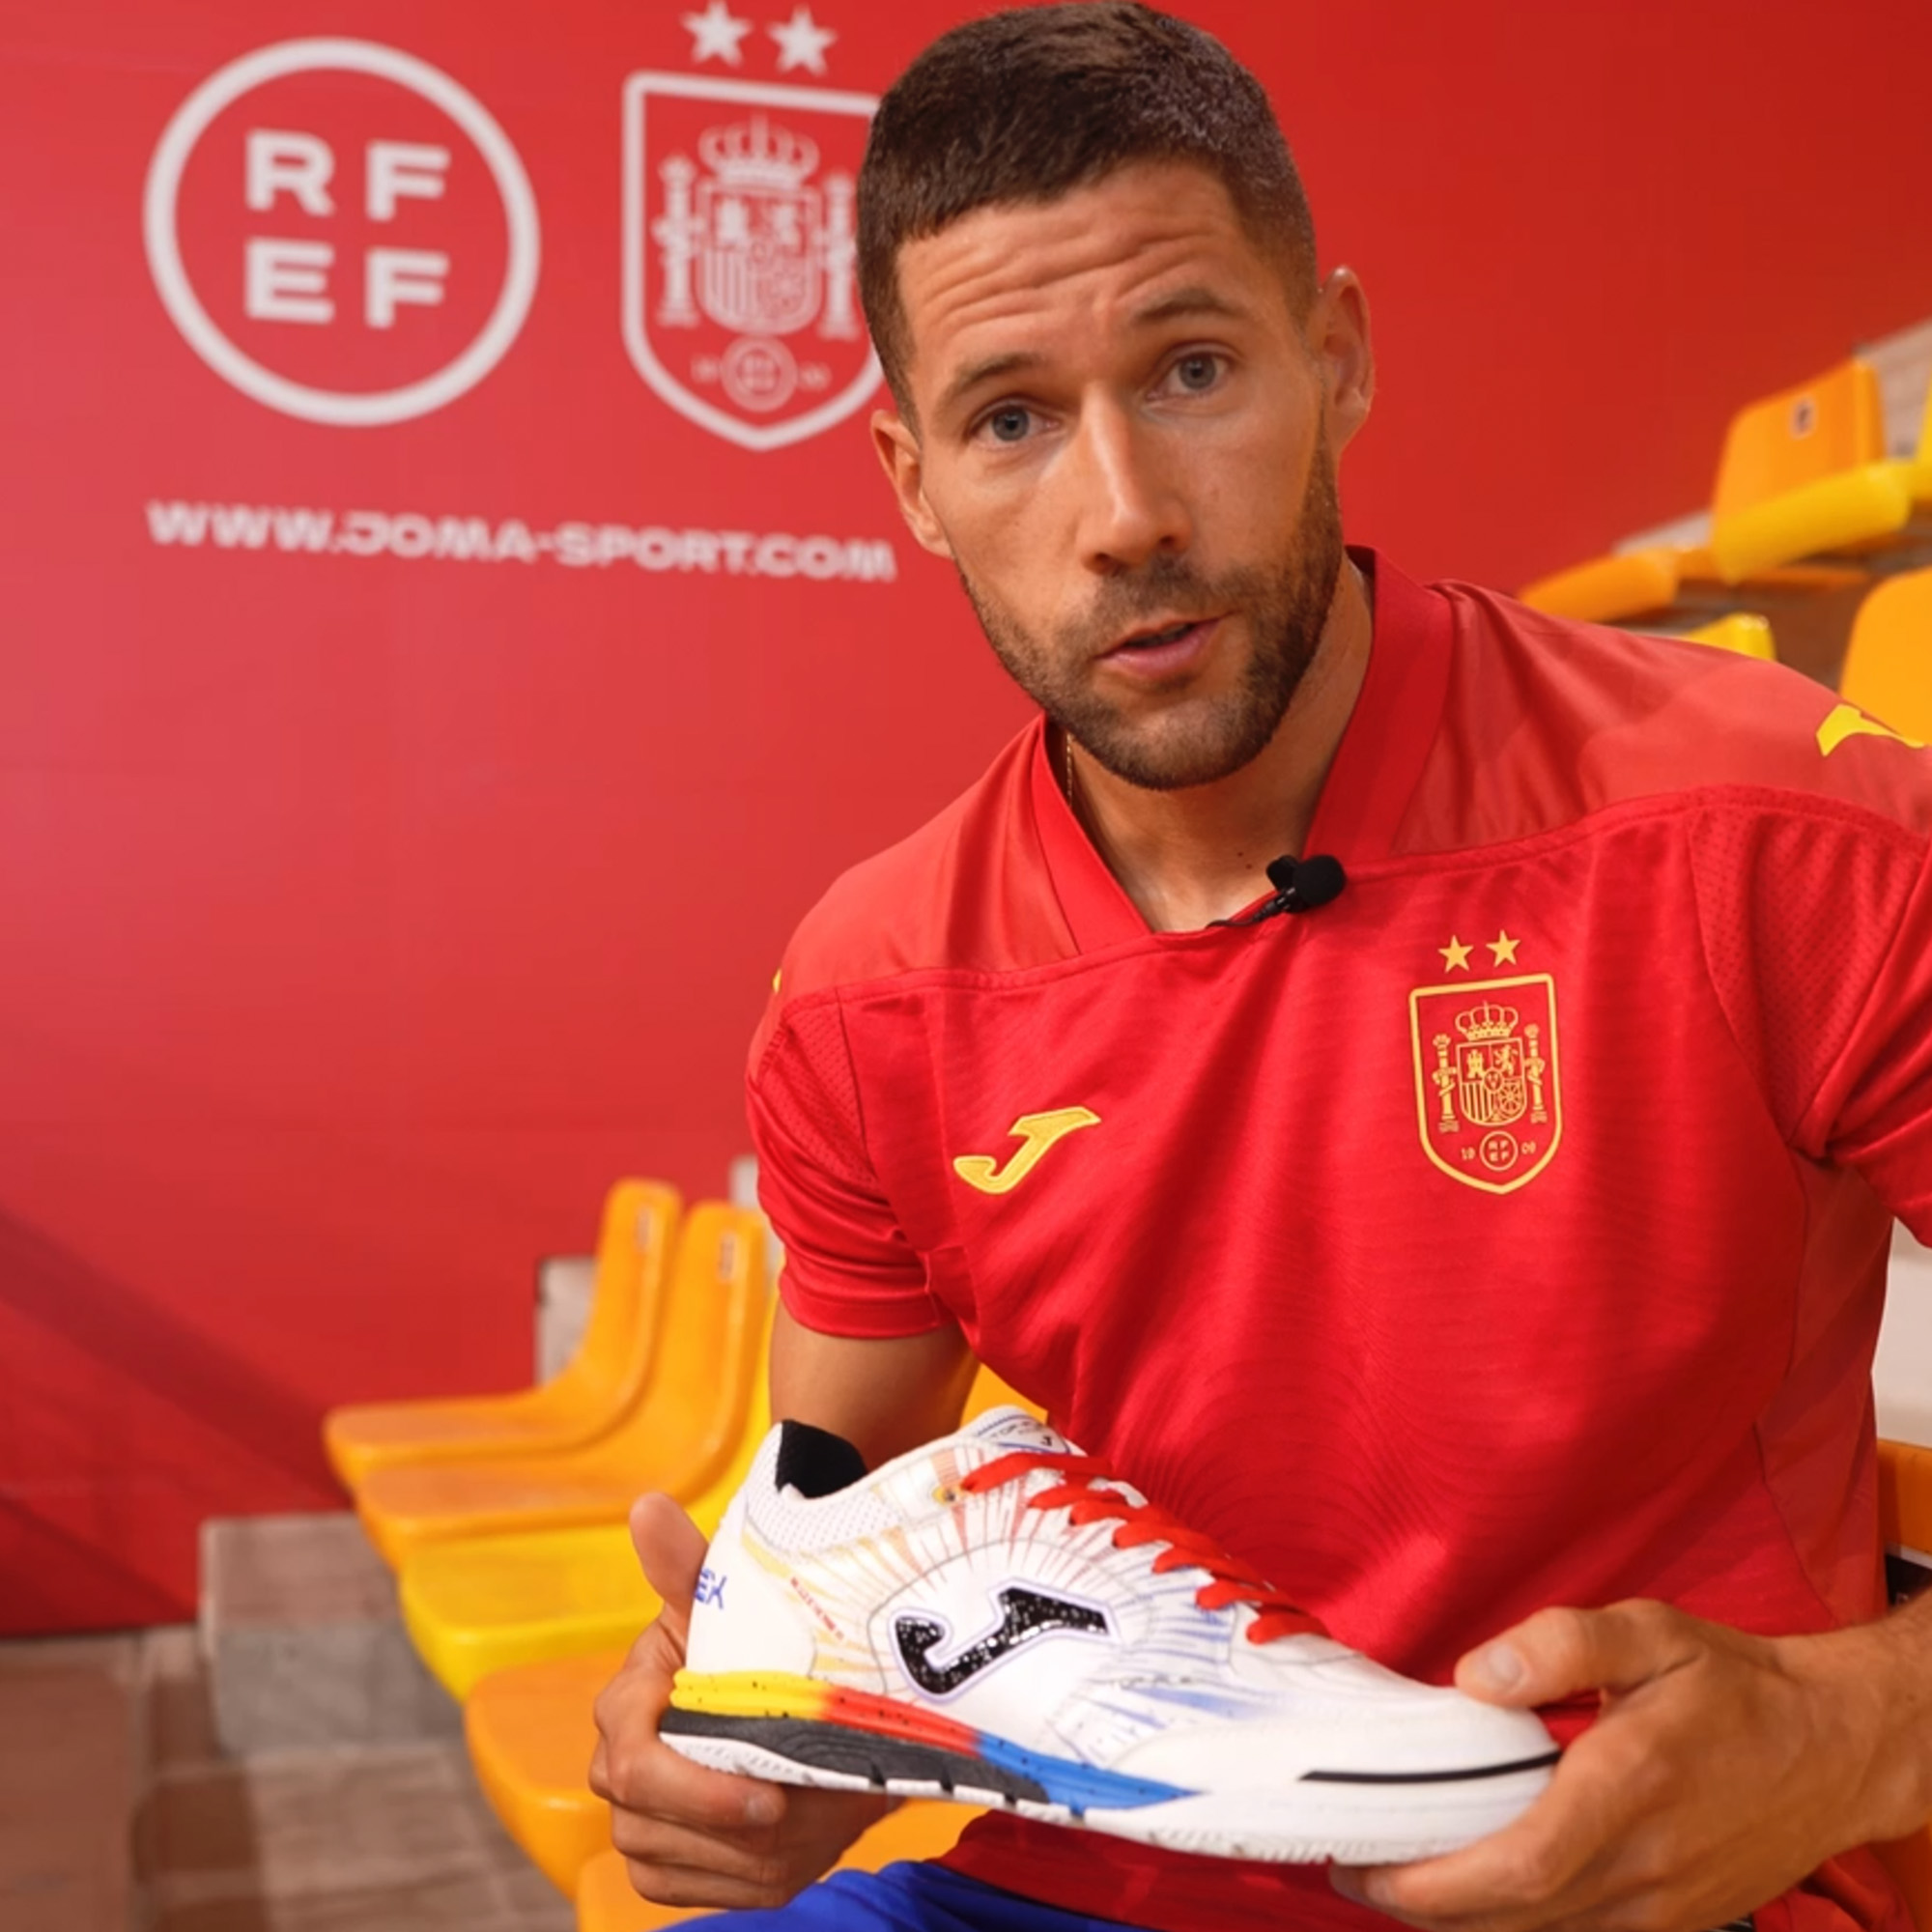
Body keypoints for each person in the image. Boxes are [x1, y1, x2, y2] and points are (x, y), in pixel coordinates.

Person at [591, 6, 1932, 1929]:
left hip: (1649, 1878)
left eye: (1193, 367)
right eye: (1010, 419)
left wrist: (1864, 1726)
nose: (1124, 512)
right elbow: (843, 1543)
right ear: (910, 478)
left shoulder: (1772, 832)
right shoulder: (869, 991)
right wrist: (762, 1747)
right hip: (1083, 1890)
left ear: (1338, 356)